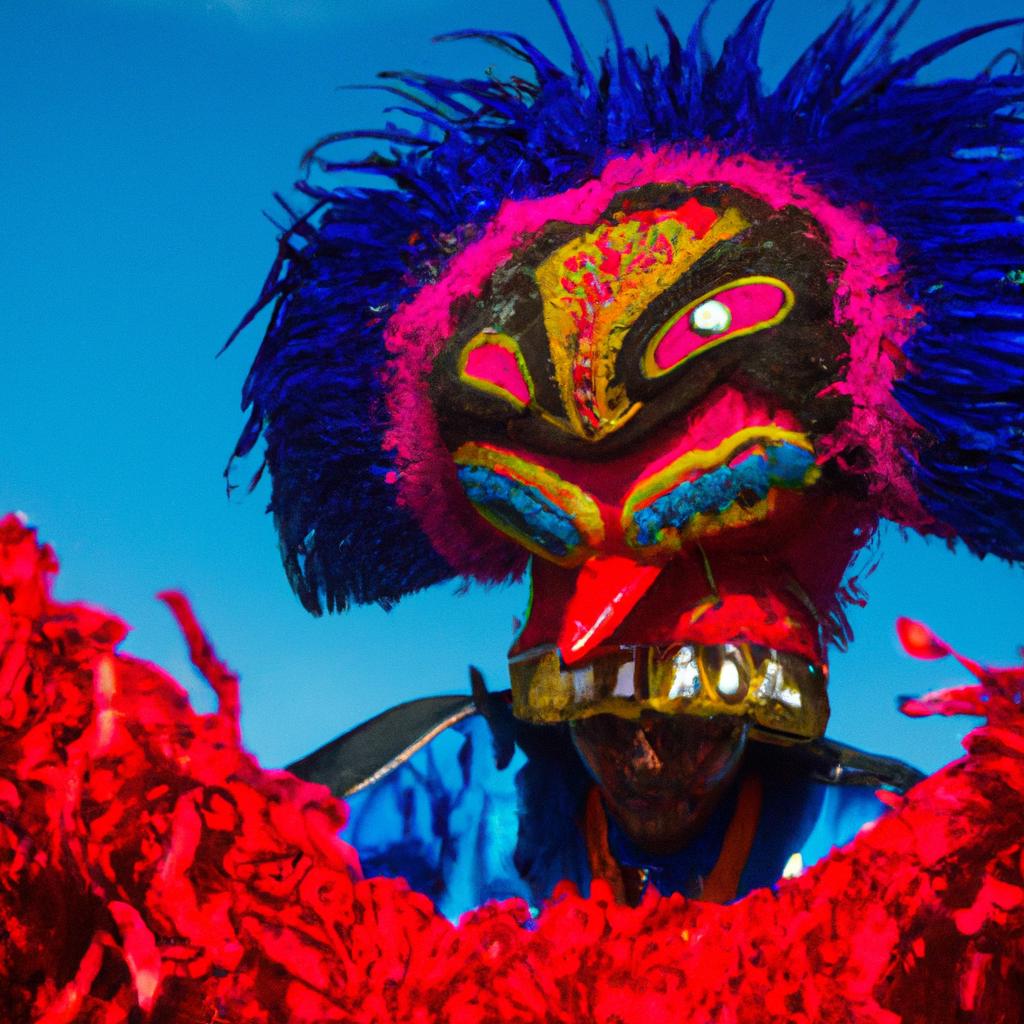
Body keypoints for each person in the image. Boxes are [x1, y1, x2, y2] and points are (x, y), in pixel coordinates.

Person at [233, 0, 1024, 920]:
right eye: (603, 717)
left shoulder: (886, 856)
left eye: (693, 719)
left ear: (761, 706)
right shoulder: (439, 801)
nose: (646, 763)